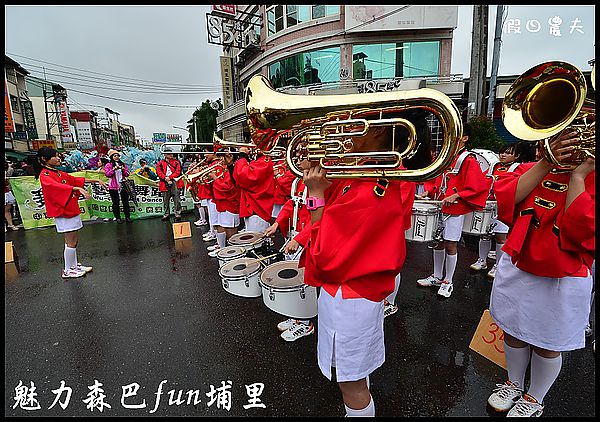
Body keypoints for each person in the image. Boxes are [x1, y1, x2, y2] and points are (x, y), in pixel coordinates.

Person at [299, 111, 433, 417]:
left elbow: (324, 256)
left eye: (356, 123)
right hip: (355, 294)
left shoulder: (373, 185)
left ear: (377, 133)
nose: (345, 130)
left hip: (350, 297)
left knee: (351, 385)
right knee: (356, 377)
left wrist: (316, 194)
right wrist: (319, 174)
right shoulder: (371, 172)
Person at [486, 130, 595, 417]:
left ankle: (535, 397)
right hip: (518, 261)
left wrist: (579, 177)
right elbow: (507, 201)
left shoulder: (591, 177)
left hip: (563, 274)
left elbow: (580, 231)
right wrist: (547, 162)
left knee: (548, 343)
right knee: (513, 331)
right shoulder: (529, 167)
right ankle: (514, 382)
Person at [415, 122, 490, 298]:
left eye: (457, 134)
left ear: (465, 138)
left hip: (454, 209)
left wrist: (456, 196)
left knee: (451, 244)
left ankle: (448, 281)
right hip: (440, 204)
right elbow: (436, 181)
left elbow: (476, 186)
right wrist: (428, 191)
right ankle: (436, 276)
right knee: (437, 242)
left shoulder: (468, 159)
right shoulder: (446, 157)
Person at [32, 147, 107, 278]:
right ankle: (68, 270)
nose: (58, 158)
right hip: (63, 210)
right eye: (55, 156)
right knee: (70, 241)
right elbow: (57, 187)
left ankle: (74, 264)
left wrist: (96, 180)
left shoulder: (57, 173)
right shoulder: (45, 175)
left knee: (73, 240)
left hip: (70, 208)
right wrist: (76, 188)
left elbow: (74, 179)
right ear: (44, 159)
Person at [470, 142, 536, 278]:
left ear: (517, 156)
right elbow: (484, 180)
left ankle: (498, 265)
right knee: (485, 233)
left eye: (508, 153)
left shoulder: (518, 168)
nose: (503, 155)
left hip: (503, 205)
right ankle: (482, 260)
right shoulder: (495, 166)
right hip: (489, 203)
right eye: (502, 152)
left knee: (500, 236)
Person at [264, 177, 315, 341]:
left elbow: (319, 217)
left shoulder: (320, 181)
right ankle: (296, 315)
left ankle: (306, 323)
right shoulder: (299, 181)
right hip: (294, 235)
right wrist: (277, 223)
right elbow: (291, 205)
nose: (298, 159)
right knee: (293, 280)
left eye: (302, 154)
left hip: (308, 239)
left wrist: (300, 239)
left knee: (303, 282)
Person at [233, 145, 275, 233]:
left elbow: (243, 176)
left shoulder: (264, 161)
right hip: (253, 208)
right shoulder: (259, 161)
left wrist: (242, 156)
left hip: (257, 209)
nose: (251, 145)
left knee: (256, 243)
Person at [207, 150, 240, 257]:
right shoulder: (225, 169)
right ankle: (223, 250)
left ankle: (233, 254)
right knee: (222, 226)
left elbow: (227, 187)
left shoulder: (231, 170)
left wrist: (215, 178)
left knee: (231, 231)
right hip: (222, 203)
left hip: (230, 204)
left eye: (223, 157)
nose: (221, 160)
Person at [104, 149, 132, 223]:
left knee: (125, 201)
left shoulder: (122, 164)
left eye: (117, 155)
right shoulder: (108, 165)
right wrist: (113, 169)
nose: (116, 157)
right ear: (111, 157)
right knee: (115, 202)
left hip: (123, 185)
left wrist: (123, 169)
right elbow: (107, 174)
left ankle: (127, 217)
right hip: (113, 186)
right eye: (114, 156)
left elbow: (127, 174)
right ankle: (118, 217)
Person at [156, 148, 183, 222]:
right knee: (165, 200)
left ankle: (178, 214)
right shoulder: (160, 163)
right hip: (164, 182)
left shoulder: (177, 162)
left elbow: (178, 172)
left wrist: (169, 178)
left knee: (177, 199)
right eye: (169, 154)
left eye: (171, 153)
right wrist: (165, 178)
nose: (171, 155)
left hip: (174, 181)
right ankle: (166, 214)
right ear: (165, 155)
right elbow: (158, 172)